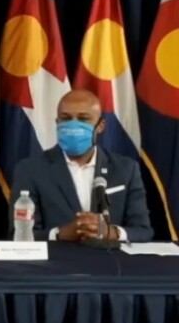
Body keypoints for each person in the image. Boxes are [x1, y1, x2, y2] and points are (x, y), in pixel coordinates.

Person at [11, 89, 153, 243]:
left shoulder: (126, 169)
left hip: (110, 264)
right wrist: (60, 234)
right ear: (57, 123)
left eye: (83, 119)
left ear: (100, 126)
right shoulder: (30, 170)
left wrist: (111, 232)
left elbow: (143, 231)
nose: (73, 126)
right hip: (56, 264)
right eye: (66, 118)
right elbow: (19, 234)